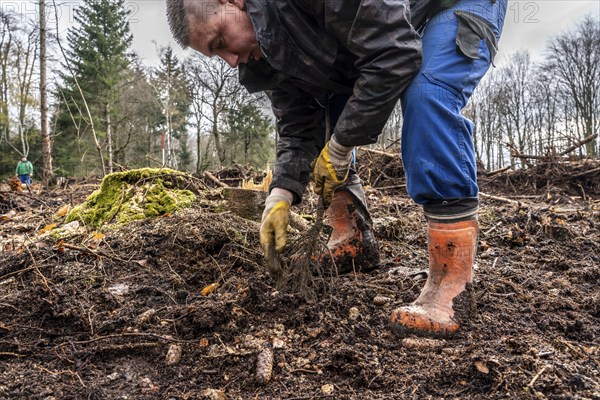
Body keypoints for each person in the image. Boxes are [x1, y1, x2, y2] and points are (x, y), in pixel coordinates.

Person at [166, 0, 507, 337]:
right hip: (397, 19)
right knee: (326, 102)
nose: (230, 61)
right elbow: (299, 124)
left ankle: (451, 285)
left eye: (221, 42)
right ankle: (352, 238)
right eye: (216, 55)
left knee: (426, 95)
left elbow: (393, 55)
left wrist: (341, 148)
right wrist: (281, 194)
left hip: (452, 4)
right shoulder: (264, 50)